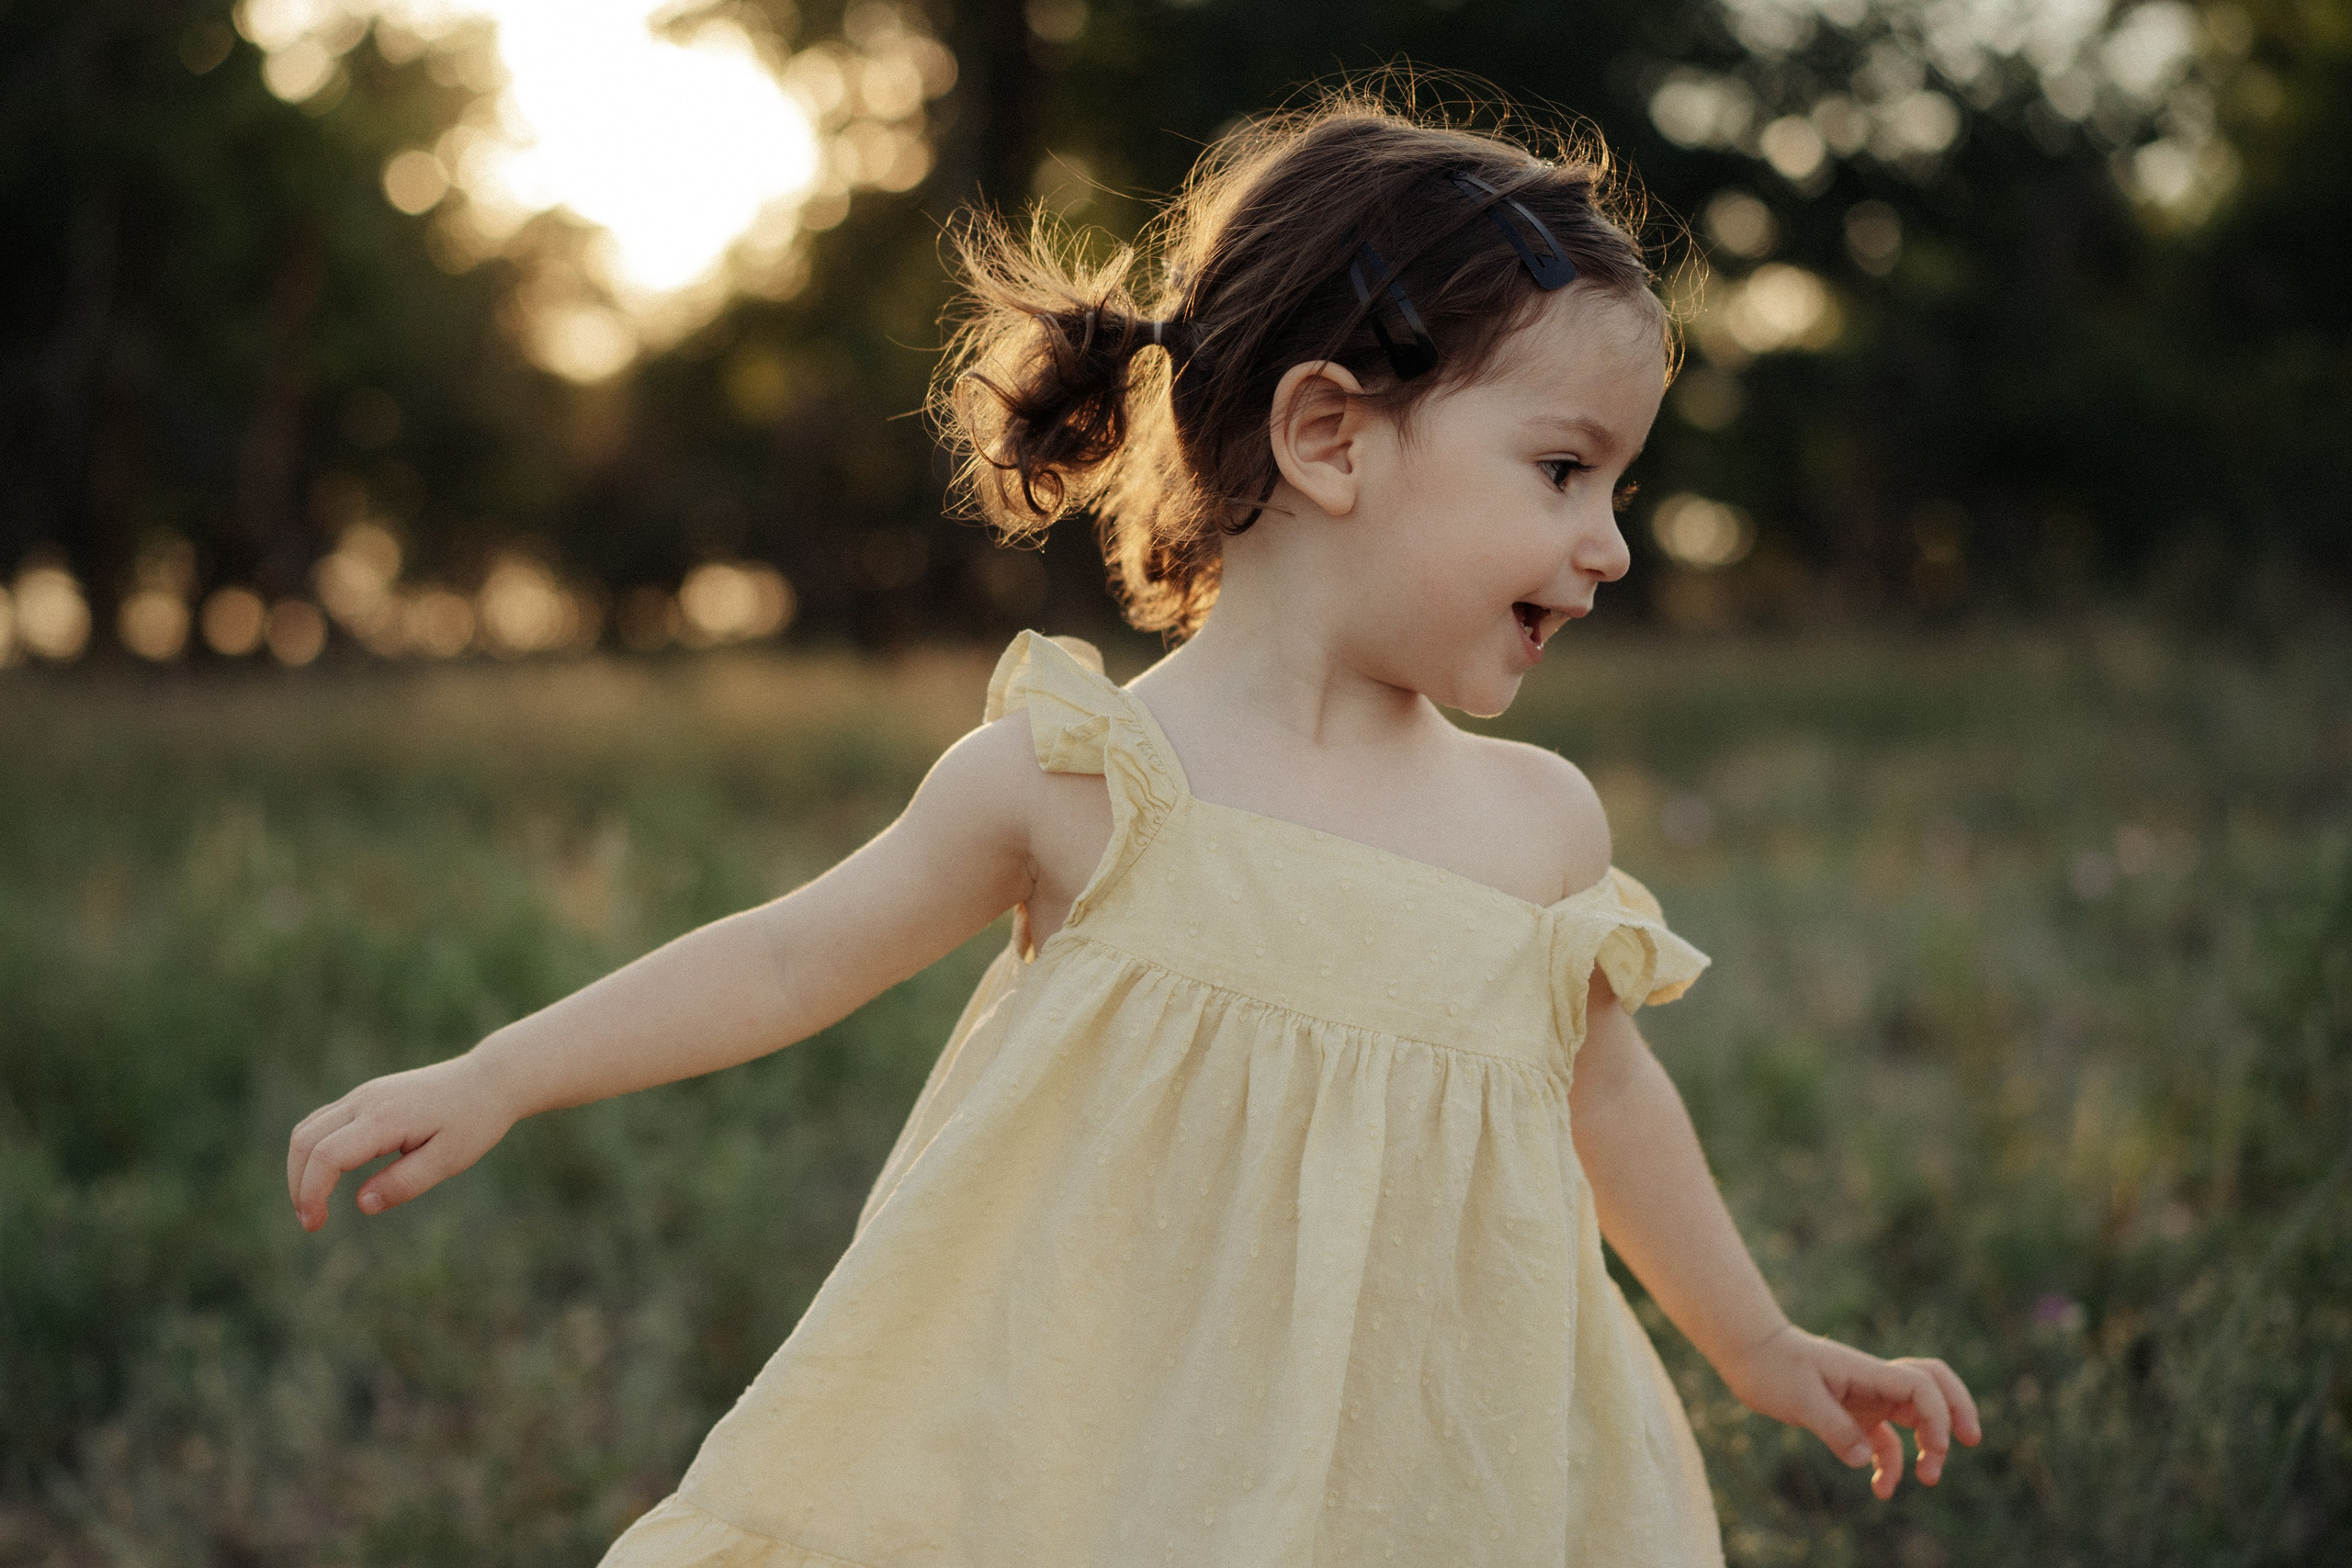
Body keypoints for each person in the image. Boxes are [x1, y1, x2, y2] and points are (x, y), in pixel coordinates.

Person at [286, 90, 1980, 1566]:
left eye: (1619, 487)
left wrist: (1752, 1340)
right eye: (1564, 472)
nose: (1611, 545)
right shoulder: (1087, 781)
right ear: (1330, 435)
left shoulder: (1538, 826)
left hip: (1428, 1474)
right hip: (1111, 1460)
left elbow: (1609, 1093)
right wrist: (501, 1070)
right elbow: (791, 957)